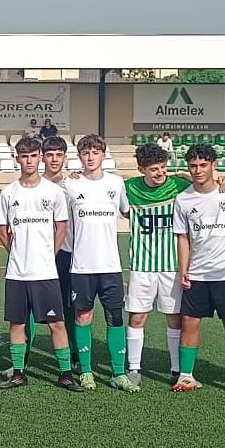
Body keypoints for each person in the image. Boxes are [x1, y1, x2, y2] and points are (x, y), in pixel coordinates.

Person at [0, 136, 81, 392]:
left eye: (33, 156)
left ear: (39, 157)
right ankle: (18, 373)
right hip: (17, 273)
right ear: (17, 159)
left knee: (57, 323)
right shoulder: (9, 192)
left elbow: (62, 226)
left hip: (45, 272)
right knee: (17, 323)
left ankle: (65, 374)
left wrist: (50, 253)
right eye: (24, 156)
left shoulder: (52, 192)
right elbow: (1, 228)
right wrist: (14, 250)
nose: (29, 161)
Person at [172, 143, 225, 395]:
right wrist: (184, 269)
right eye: (193, 165)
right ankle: (186, 376)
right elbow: (183, 238)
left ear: (213, 166)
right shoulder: (183, 200)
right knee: (189, 323)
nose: (198, 170)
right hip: (198, 274)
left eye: (203, 165)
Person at [64, 134, 135, 392]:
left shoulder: (116, 183)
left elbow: (128, 210)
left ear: (103, 155)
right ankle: (85, 371)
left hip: (110, 266)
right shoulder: (70, 184)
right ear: (80, 156)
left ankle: (118, 373)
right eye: (86, 152)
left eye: (95, 152)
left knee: (115, 317)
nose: (90, 157)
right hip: (82, 266)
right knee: (83, 316)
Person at [124, 143, 191, 385]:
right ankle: (134, 367)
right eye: (154, 169)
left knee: (174, 318)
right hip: (142, 266)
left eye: (163, 167)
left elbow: (204, 184)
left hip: (172, 266)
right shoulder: (129, 188)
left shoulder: (179, 185)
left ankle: (176, 368)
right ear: (141, 169)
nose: (161, 173)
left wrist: (223, 179)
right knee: (137, 317)